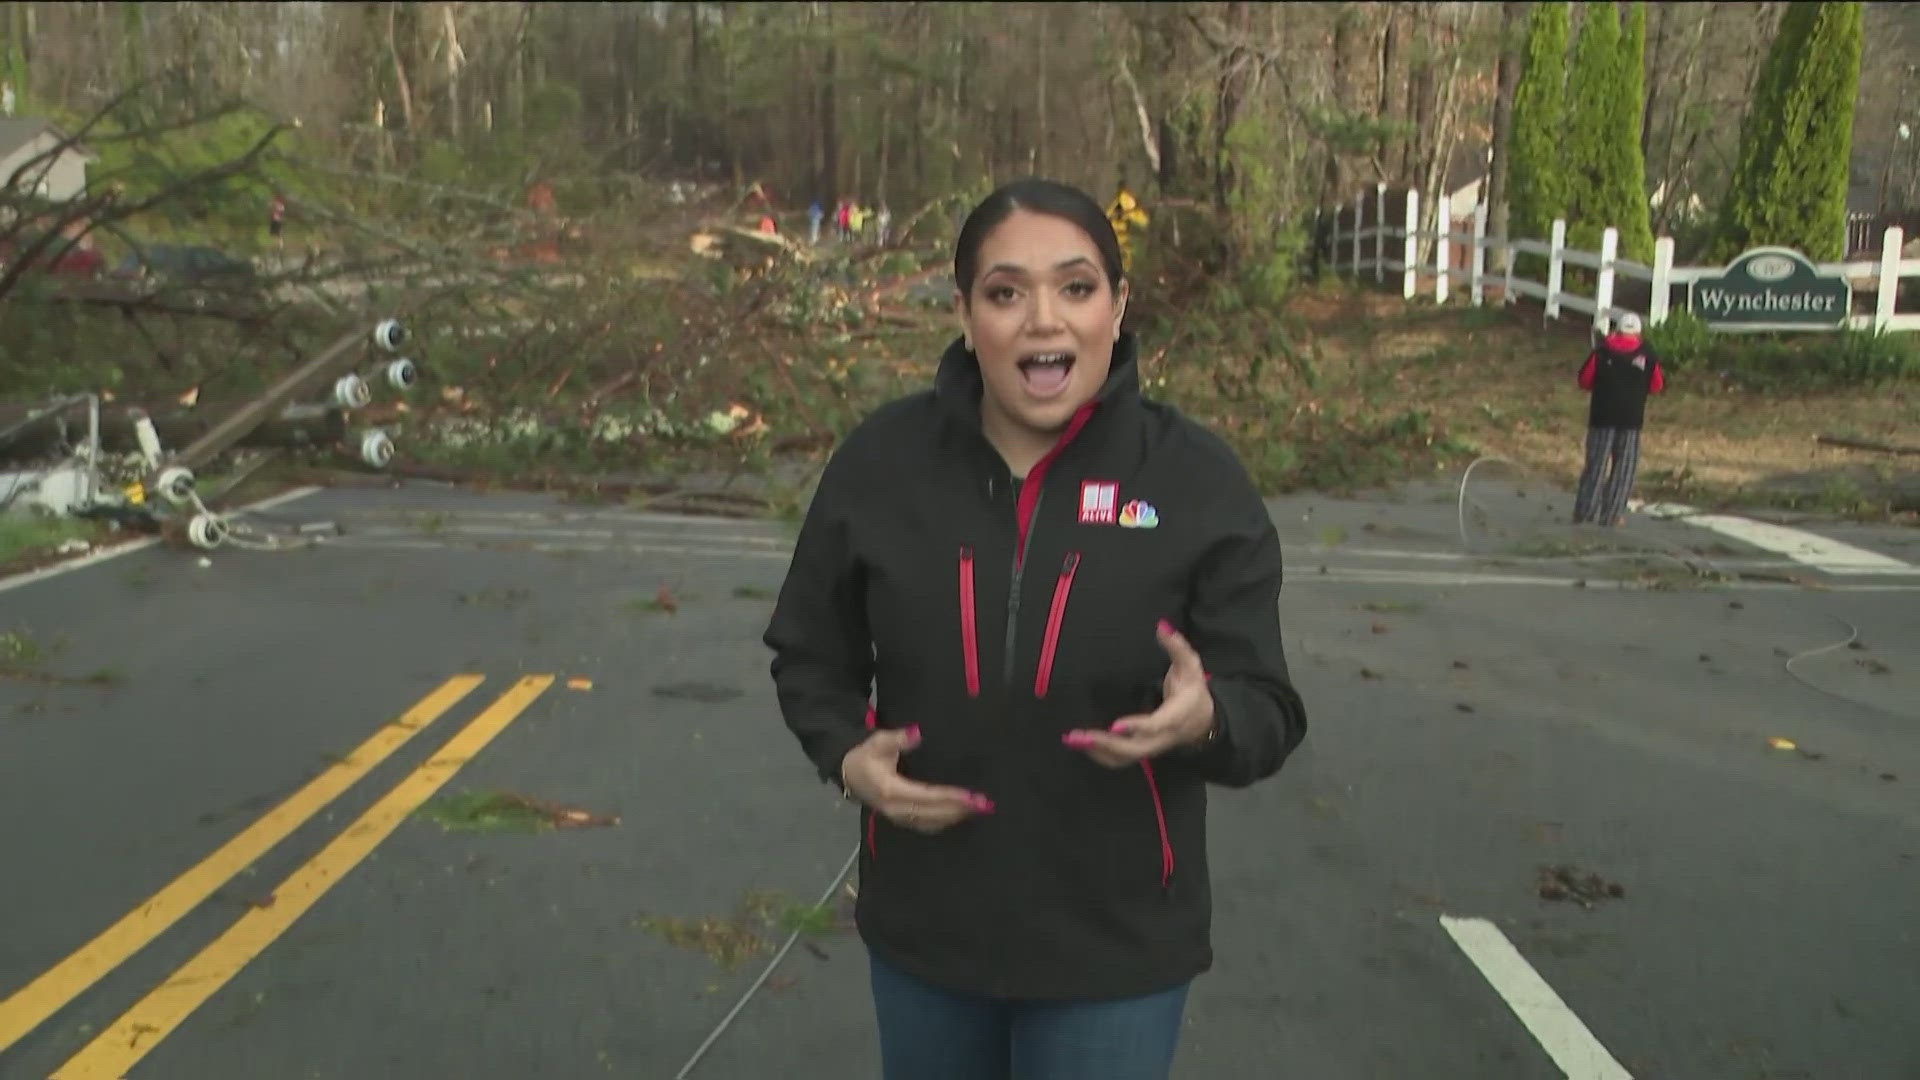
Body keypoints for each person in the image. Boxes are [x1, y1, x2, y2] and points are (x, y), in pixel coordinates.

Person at [764, 177, 1307, 1080]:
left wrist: (1204, 719)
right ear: (965, 314)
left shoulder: (1195, 485)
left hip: (1118, 953)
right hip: (926, 936)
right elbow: (809, 652)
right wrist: (845, 753)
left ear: (1120, 306)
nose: (1043, 321)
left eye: (1077, 287)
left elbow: (1268, 710)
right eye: (1006, 292)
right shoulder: (881, 467)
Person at [1573, 310, 1666, 527]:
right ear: (1639, 334)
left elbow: (1584, 380)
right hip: (1631, 419)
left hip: (1602, 416)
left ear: (1617, 330)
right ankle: (1612, 515)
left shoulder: (1602, 351)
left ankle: (1585, 513)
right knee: (1624, 468)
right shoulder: (1648, 354)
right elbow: (1657, 385)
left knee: (1596, 464)